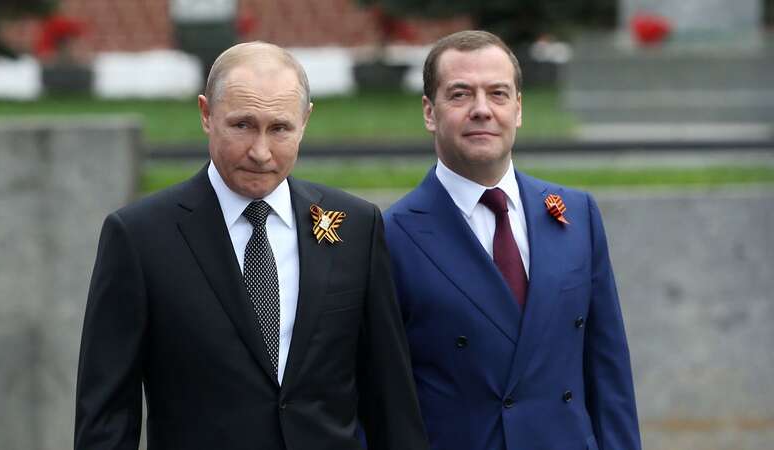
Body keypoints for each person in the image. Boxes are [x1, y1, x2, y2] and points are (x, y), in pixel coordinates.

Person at [74, 41, 428, 450]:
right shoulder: (139, 237)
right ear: (207, 114)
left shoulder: (356, 227)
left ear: (305, 121)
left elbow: (390, 400)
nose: (260, 152)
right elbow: (106, 416)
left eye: (279, 128)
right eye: (242, 125)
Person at [383, 30, 641, 450]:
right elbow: (380, 394)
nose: (482, 110)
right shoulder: (392, 235)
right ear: (430, 112)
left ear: (518, 109)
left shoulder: (577, 214)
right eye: (461, 94)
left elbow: (609, 373)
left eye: (498, 94)